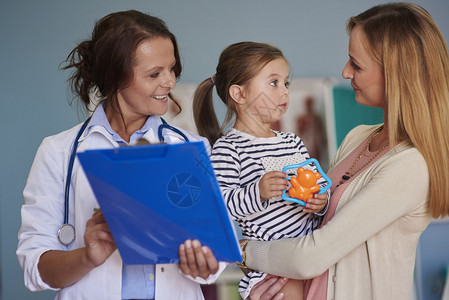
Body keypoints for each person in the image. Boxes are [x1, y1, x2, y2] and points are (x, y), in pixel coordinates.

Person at [238, 3, 449, 300]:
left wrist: (244, 250)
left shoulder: (411, 165)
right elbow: (310, 230)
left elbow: (312, 255)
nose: (345, 71)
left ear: (397, 74)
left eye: (357, 64)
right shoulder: (357, 138)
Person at [16, 10, 225, 300]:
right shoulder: (58, 151)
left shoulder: (193, 149)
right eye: (154, 74)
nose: (170, 82)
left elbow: (214, 257)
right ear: (114, 77)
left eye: (172, 68)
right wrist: (88, 257)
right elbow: (35, 267)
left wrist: (202, 265)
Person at [193, 41, 329, 300]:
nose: (285, 92)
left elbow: (317, 184)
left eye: (287, 83)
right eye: (274, 83)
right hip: (275, 267)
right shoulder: (229, 148)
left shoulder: (291, 141)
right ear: (239, 94)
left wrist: (320, 202)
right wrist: (259, 192)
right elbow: (221, 206)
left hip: (313, 253)